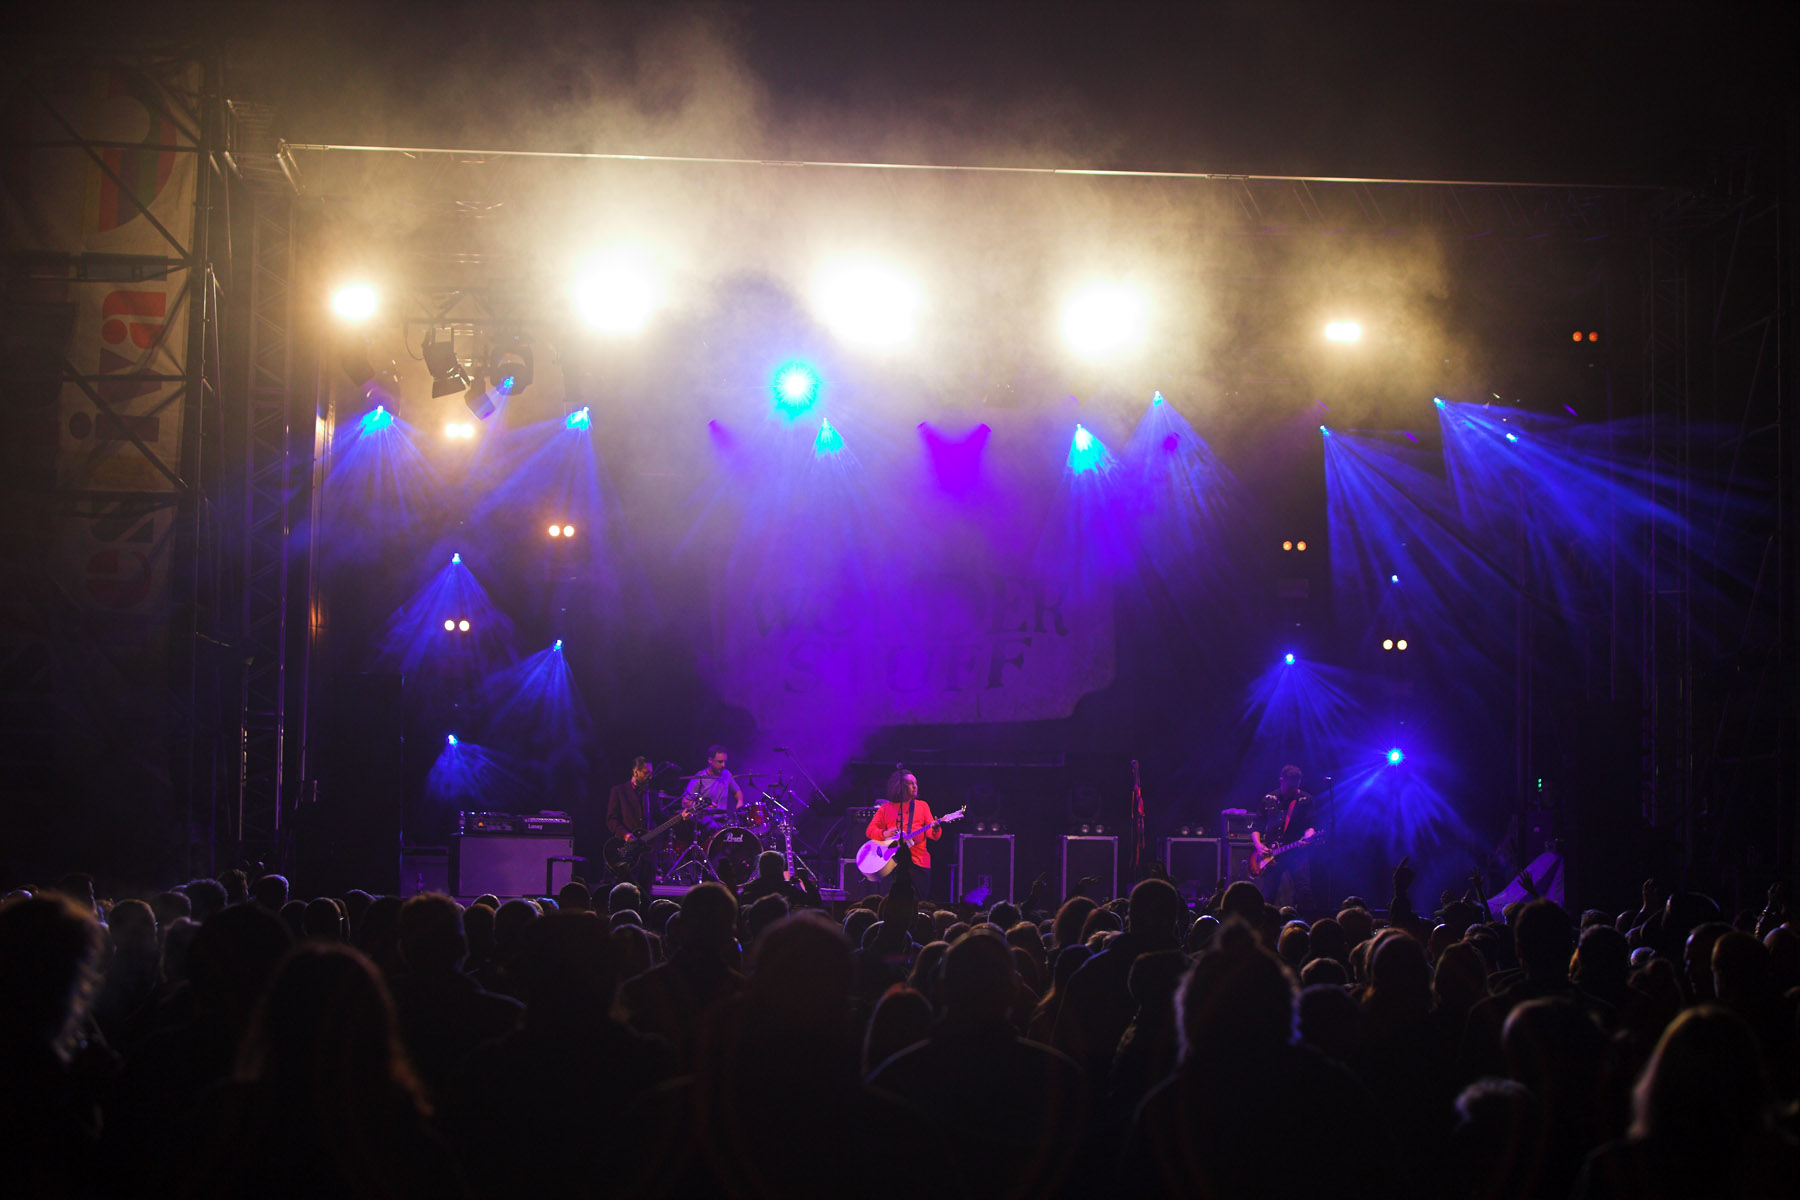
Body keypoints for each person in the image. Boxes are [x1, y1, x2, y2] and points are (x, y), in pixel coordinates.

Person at [865, 769, 943, 901]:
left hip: (918, 863)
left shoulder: (922, 806)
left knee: (918, 901)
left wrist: (935, 829)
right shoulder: (885, 808)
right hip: (892, 863)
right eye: (910, 783)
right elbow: (870, 831)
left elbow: (932, 834)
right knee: (891, 900)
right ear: (899, 787)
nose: (915, 786)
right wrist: (884, 833)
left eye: (915, 783)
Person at [1255, 764, 1317, 910]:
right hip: (1272, 854)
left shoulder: (1305, 800)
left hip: (1296, 852)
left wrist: (1308, 837)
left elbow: (1311, 826)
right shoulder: (1269, 799)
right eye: (1290, 787)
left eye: (1295, 787)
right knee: (1268, 893)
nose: (1292, 791)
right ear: (1282, 780)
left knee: (1303, 890)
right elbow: (1256, 827)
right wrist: (1259, 846)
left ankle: (1309, 920)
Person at [606, 757, 660, 895]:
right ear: (636, 772)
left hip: (648, 852)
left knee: (646, 891)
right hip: (628, 851)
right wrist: (625, 835)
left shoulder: (652, 795)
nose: (650, 777)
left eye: (651, 773)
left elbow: (662, 818)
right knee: (627, 891)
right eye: (646, 773)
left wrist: (682, 816)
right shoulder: (619, 791)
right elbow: (611, 820)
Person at [681, 744, 745, 827]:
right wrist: (703, 807)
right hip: (704, 822)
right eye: (720, 762)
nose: (723, 765)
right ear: (710, 760)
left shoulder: (726, 774)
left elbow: (737, 792)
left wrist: (740, 801)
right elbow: (685, 802)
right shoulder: (699, 778)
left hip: (723, 820)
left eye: (725, 762)